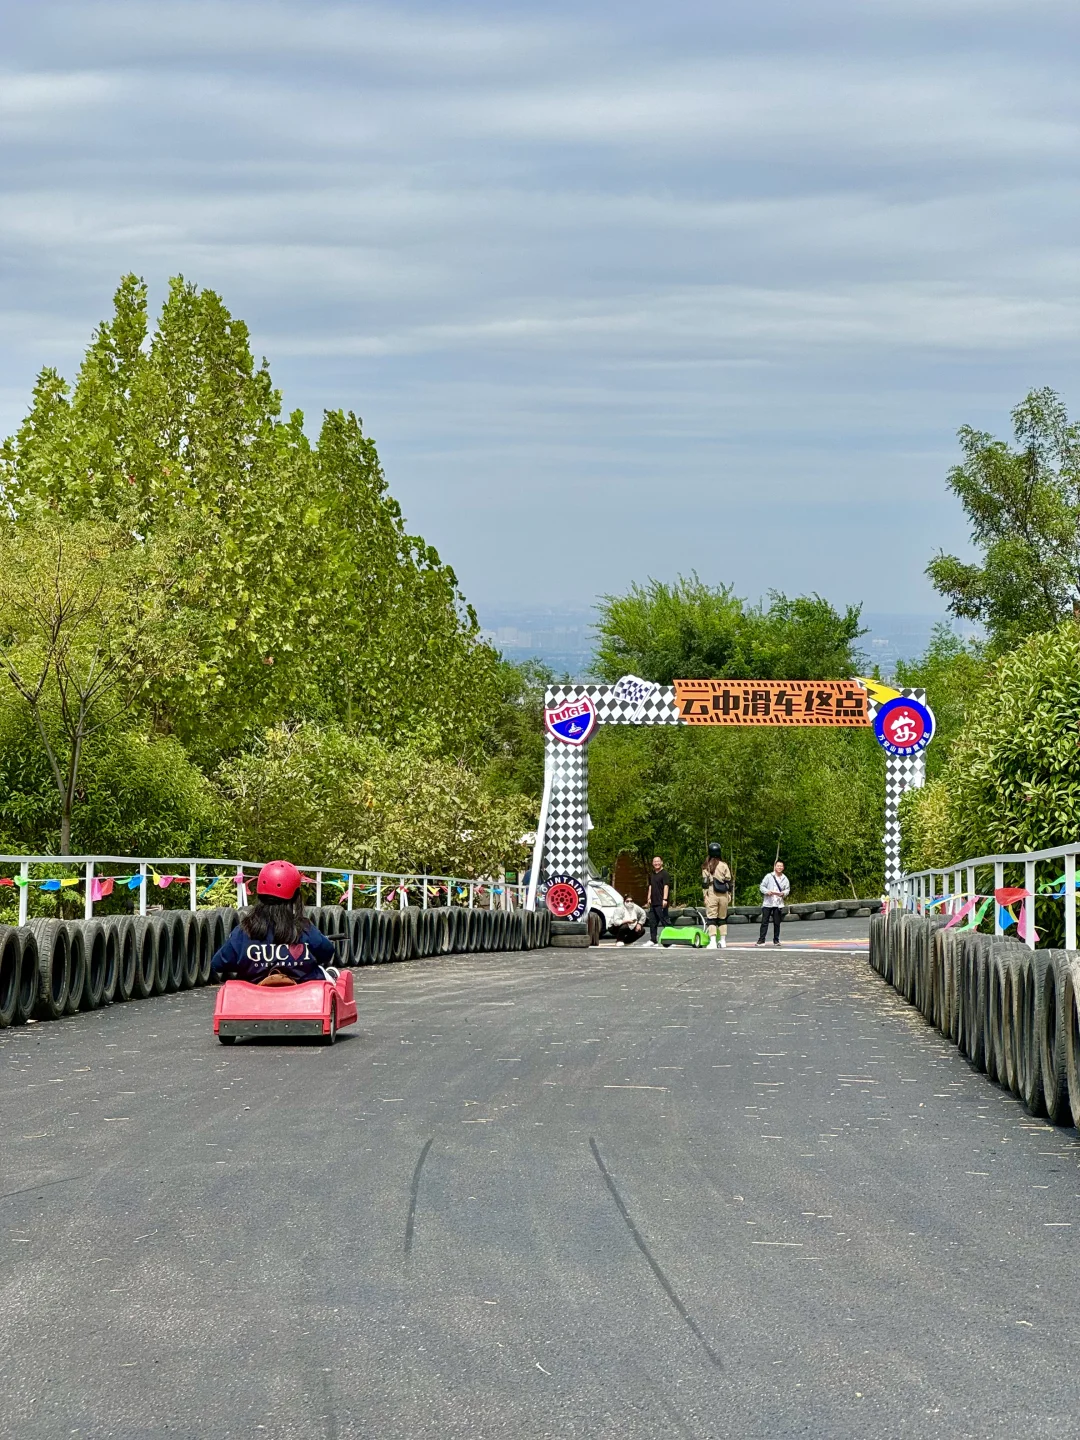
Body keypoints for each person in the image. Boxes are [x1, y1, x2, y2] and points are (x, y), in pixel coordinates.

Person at [210, 860, 335, 984]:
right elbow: (327, 953)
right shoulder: (305, 929)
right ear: (296, 896)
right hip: (303, 999)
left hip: (254, 998)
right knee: (330, 977)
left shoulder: (244, 931)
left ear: (259, 894)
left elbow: (219, 964)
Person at [701, 841, 733, 949]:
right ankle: (723, 941)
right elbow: (729, 880)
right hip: (723, 893)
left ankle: (713, 941)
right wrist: (729, 894)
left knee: (712, 917)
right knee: (722, 918)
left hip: (712, 892)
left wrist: (705, 896)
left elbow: (705, 883)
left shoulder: (706, 866)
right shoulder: (724, 865)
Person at [756, 860, 791, 946]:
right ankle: (761, 940)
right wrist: (767, 892)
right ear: (775, 866)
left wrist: (784, 893)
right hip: (768, 902)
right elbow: (762, 886)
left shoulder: (785, 878)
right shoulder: (769, 876)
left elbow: (787, 889)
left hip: (778, 903)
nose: (779, 867)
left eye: (781, 866)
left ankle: (776, 940)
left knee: (777, 923)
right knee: (764, 922)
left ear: (783, 867)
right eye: (778, 866)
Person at [645, 856, 671, 945]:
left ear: (661, 862)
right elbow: (650, 886)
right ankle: (653, 940)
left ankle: (671, 938)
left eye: (658, 861)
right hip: (653, 902)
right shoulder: (652, 874)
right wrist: (648, 898)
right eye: (655, 862)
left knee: (664, 920)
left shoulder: (664, 874)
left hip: (661, 902)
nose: (656, 863)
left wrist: (665, 899)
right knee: (652, 922)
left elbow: (666, 886)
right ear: (652, 863)